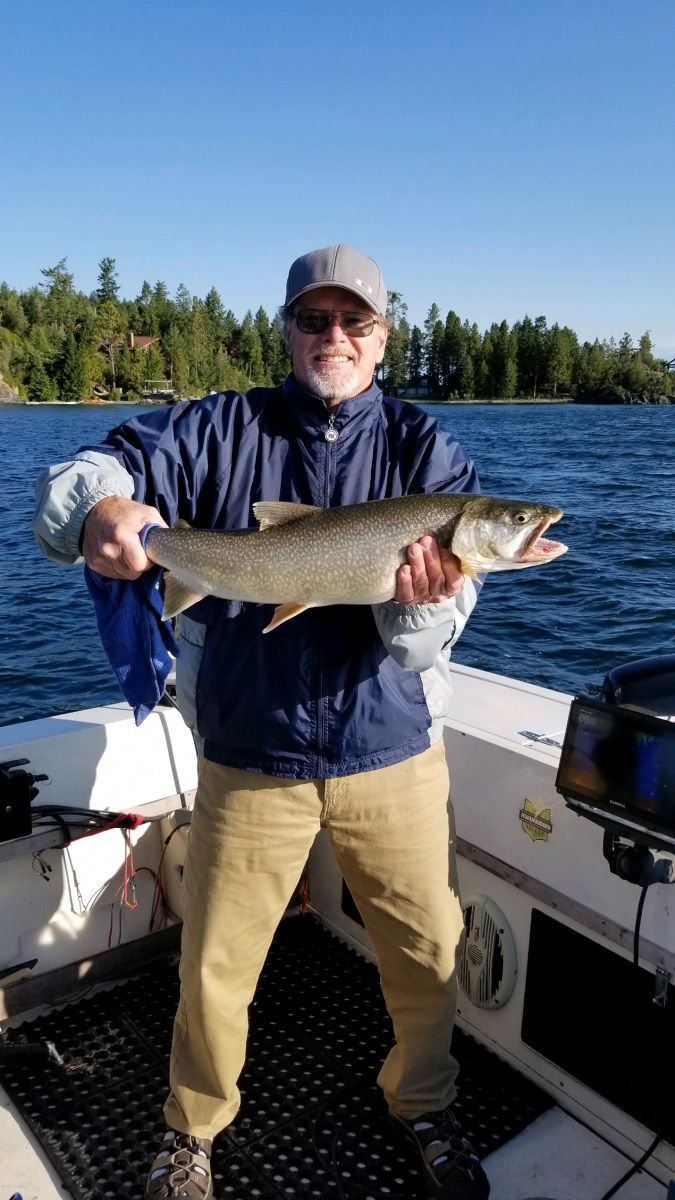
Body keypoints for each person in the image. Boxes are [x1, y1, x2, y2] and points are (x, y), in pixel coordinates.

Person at [34, 244, 490, 1200]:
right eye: (314, 319)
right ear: (284, 329)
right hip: (250, 753)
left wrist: (414, 600)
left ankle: (425, 1104)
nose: (334, 337)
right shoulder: (212, 429)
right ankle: (189, 1133)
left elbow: (419, 648)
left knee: (429, 951)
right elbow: (83, 471)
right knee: (213, 968)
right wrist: (99, 511)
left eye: (354, 322)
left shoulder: (428, 455)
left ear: (382, 337)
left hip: (393, 753)